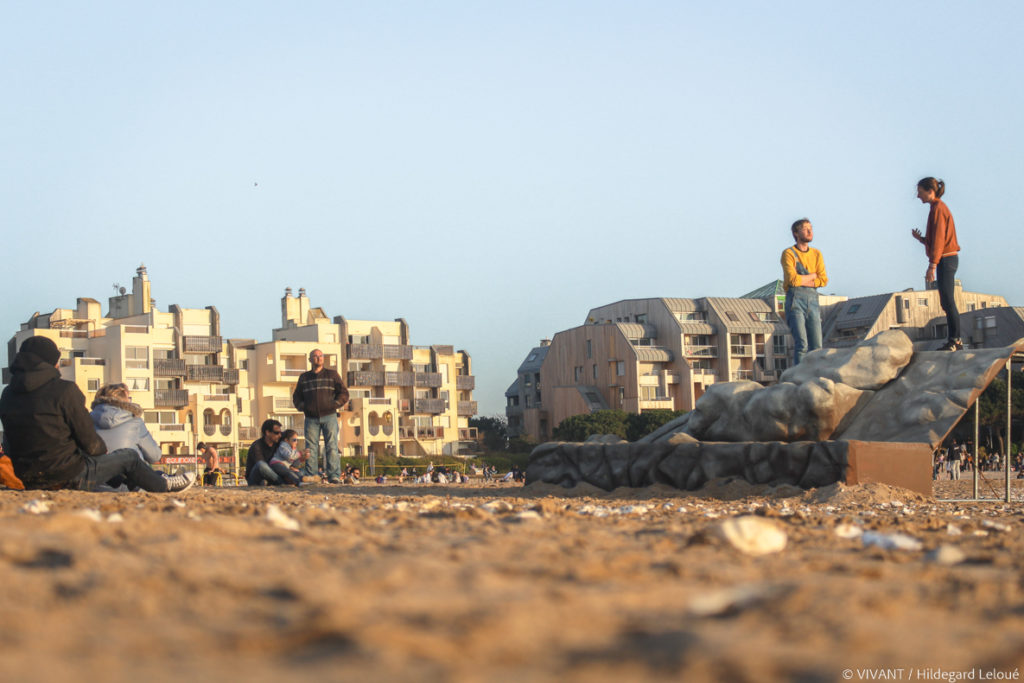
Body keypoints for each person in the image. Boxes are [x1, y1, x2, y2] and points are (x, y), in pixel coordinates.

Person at [0, 337, 195, 492]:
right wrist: (104, 452)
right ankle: (164, 485)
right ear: (50, 363)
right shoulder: (64, 390)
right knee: (128, 457)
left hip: (27, 478)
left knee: (112, 465)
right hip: (67, 476)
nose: (59, 366)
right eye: (57, 362)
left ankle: (136, 481)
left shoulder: (7, 394)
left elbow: (9, 444)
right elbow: (90, 443)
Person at [912, 177, 962, 351]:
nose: (918, 196)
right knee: (945, 300)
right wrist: (922, 240)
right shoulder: (935, 208)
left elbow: (940, 240)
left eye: (920, 192)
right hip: (944, 258)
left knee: (948, 300)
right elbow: (935, 240)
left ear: (930, 191)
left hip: (946, 259)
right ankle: (954, 339)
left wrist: (932, 265)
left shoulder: (939, 209)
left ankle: (955, 339)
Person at [292, 349, 348, 484]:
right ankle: (312, 475)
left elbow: (344, 393)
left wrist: (335, 404)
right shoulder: (304, 378)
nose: (318, 358)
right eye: (315, 356)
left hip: (329, 416)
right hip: (311, 418)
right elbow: (296, 397)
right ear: (310, 360)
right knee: (310, 447)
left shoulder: (332, 375)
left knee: (332, 446)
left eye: (321, 356)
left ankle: (333, 475)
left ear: (324, 358)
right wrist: (303, 407)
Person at [781, 218, 828, 365]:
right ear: (796, 233)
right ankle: (799, 377)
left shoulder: (817, 254)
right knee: (802, 345)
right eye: (805, 228)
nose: (809, 231)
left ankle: (816, 374)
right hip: (795, 301)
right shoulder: (789, 253)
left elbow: (824, 280)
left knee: (817, 346)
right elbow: (793, 281)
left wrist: (805, 278)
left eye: (811, 228)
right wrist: (813, 276)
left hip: (813, 301)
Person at [90, 383, 162, 464]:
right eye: (129, 398)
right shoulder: (135, 422)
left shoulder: (86, 421)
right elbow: (155, 455)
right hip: (130, 473)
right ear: (125, 400)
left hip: (98, 473)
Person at [245, 419, 286, 486]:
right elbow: (262, 468)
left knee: (301, 471)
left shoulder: (278, 443)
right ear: (267, 432)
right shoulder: (257, 446)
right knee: (261, 465)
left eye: (280, 433)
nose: (279, 435)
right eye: (276, 433)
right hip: (255, 478)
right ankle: (282, 483)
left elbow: (290, 435)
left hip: (272, 474)